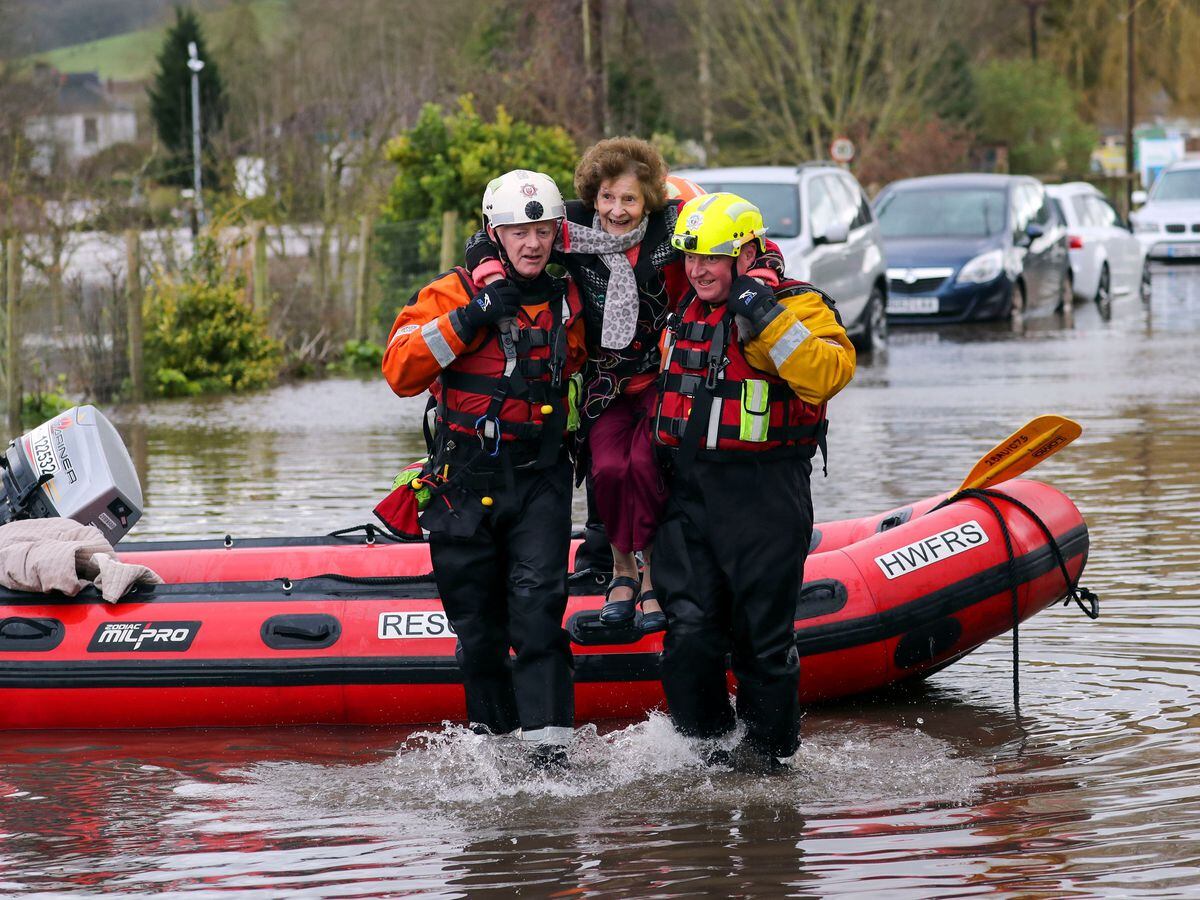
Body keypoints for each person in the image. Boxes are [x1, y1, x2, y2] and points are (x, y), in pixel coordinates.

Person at [467, 139, 781, 634]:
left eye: (630, 200)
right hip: (604, 381)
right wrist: (488, 276)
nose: (617, 210)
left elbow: (753, 241)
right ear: (593, 196)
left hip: (664, 373)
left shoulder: (675, 223)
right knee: (610, 468)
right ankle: (621, 570)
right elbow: (483, 238)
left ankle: (654, 576)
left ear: (649, 200)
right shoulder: (566, 225)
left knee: (651, 462)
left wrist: (758, 281)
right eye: (608, 198)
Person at [381, 169, 587, 767]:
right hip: (462, 485)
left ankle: (551, 764)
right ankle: (494, 757)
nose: (532, 244)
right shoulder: (450, 294)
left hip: (539, 480)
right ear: (494, 233)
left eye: (543, 231)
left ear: (556, 234)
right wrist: (471, 318)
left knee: (538, 614)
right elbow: (400, 371)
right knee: (477, 633)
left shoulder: (567, 298)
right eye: (519, 232)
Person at [652, 192, 856, 771]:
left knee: (762, 643)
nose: (696, 270)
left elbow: (829, 373)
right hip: (688, 493)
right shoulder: (683, 307)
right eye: (689, 257)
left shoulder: (798, 304)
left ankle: (768, 767)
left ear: (745, 252)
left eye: (710, 258)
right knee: (688, 633)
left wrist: (764, 314)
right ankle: (704, 755)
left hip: (765, 493)